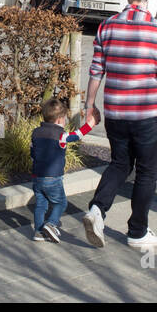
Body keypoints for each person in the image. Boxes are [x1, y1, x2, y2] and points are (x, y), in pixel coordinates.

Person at [82, 0, 157, 249]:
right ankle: (137, 232)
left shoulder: (106, 27)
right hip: (148, 115)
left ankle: (97, 210)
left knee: (119, 163)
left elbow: (95, 72)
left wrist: (90, 107)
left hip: (115, 112)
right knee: (146, 173)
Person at [30, 99, 98, 243]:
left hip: (37, 177)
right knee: (61, 203)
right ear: (60, 119)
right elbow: (78, 135)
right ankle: (51, 224)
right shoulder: (61, 135)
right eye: (65, 118)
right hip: (53, 178)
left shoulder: (35, 133)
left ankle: (38, 232)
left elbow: (32, 153)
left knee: (41, 204)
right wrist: (91, 123)